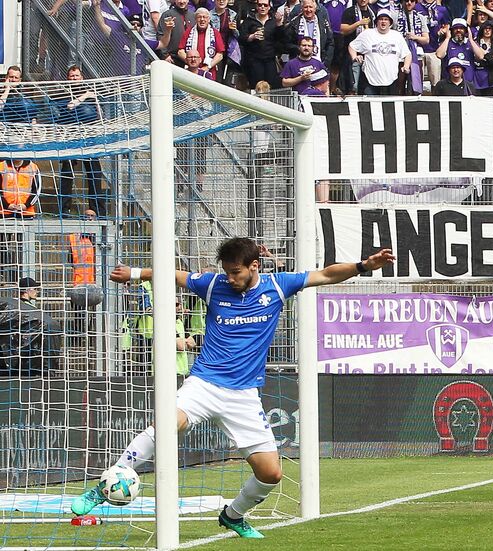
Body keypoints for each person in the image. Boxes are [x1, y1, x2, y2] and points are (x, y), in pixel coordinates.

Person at [71, 238, 396, 538]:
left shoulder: (278, 287)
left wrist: (364, 266)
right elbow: (175, 274)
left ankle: (233, 515)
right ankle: (106, 484)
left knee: (271, 474)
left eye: (235, 272)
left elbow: (325, 275)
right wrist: (136, 273)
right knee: (166, 424)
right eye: (226, 272)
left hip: (242, 395)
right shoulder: (213, 285)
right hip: (204, 383)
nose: (229, 278)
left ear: (254, 265)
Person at [56, 66, 107, 218]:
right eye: (71, 76)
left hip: (88, 138)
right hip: (70, 138)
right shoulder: (62, 92)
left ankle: (97, 209)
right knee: (67, 173)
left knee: (94, 172)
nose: (74, 78)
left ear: (82, 77)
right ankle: (64, 210)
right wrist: (85, 96)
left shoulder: (91, 94)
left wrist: (95, 98)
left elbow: (100, 115)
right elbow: (70, 106)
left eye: (76, 76)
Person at [349, 9, 412, 95]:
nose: (383, 22)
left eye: (386, 19)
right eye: (381, 19)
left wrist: (406, 66)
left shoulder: (397, 36)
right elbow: (352, 46)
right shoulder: (367, 34)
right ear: (376, 22)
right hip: (370, 81)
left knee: (390, 107)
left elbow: (407, 54)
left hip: (391, 81)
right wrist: (354, 57)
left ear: (390, 22)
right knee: (370, 107)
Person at [240, 0, 284, 89]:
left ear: (269, 7)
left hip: (270, 59)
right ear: (256, 6)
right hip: (254, 60)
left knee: (271, 86)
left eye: (265, 5)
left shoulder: (273, 21)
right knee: (255, 86)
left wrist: (279, 24)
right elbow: (241, 39)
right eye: (260, 5)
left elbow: (281, 38)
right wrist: (251, 36)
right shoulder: (249, 21)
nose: (262, 7)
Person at [340, 0, 375, 94]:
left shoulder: (373, 12)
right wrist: (358, 23)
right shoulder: (349, 11)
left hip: (368, 53)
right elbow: (343, 30)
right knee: (353, 85)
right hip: (352, 52)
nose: (363, 0)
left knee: (367, 85)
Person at [157, 0, 194, 66]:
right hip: (172, 58)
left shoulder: (193, 15)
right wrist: (165, 55)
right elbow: (160, 35)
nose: (182, 2)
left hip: (190, 58)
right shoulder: (167, 15)